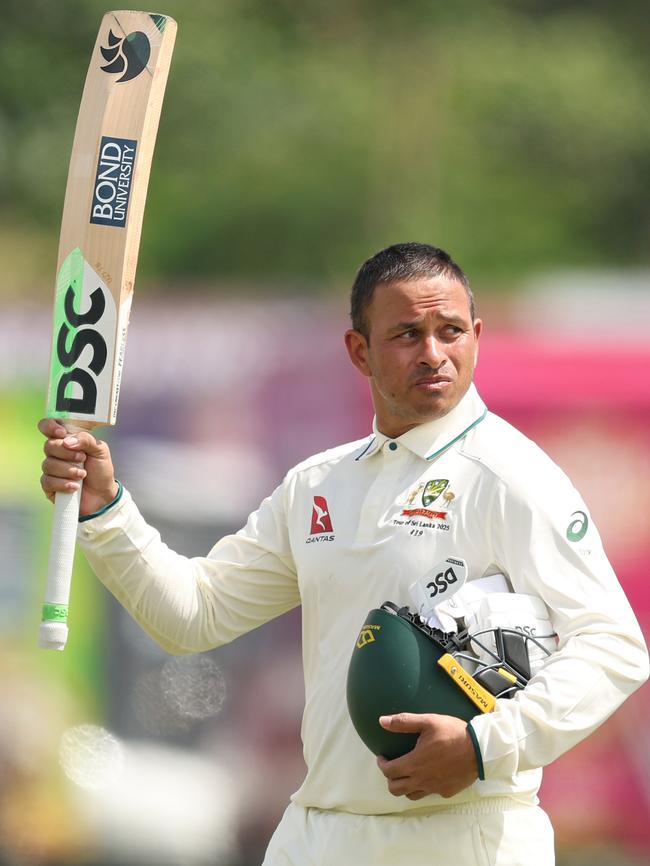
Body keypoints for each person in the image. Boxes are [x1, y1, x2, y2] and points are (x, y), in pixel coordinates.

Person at [39, 243, 648, 866]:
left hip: (466, 835)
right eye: (407, 334)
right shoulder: (318, 485)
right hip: (319, 836)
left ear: (478, 337)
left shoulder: (511, 475)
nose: (434, 354)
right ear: (360, 351)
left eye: (451, 331)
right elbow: (191, 616)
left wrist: (484, 744)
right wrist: (105, 509)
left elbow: (614, 645)